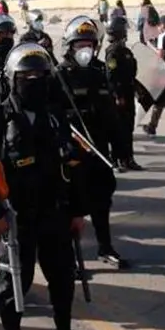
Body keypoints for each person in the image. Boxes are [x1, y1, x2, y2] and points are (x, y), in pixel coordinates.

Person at [0, 42, 91, 330]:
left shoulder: (55, 117)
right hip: (16, 219)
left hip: (54, 215)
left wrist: (78, 211)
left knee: (63, 281)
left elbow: (74, 166)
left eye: (40, 75)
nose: (33, 81)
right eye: (26, 76)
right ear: (11, 79)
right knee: (12, 291)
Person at [56, 16, 130, 269]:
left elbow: (110, 114)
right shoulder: (59, 76)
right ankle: (71, 259)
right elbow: (52, 117)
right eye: (79, 44)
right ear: (69, 46)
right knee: (71, 206)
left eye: (89, 44)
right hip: (72, 153)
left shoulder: (99, 72)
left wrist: (120, 148)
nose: (84, 49)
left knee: (102, 200)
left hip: (98, 150)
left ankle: (105, 247)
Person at [103, 16, 143, 172]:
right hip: (119, 97)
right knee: (119, 129)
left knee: (128, 127)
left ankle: (128, 158)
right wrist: (117, 96)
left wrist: (138, 89)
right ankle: (117, 158)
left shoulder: (126, 51)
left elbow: (131, 74)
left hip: (128, 93)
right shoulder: (113, 52)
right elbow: (111, 76)